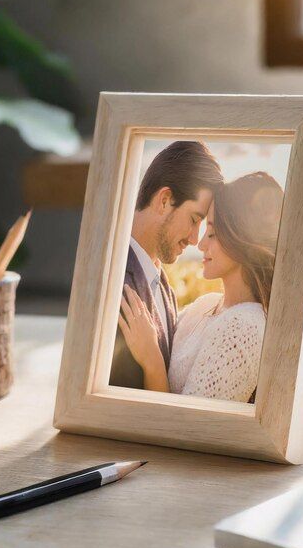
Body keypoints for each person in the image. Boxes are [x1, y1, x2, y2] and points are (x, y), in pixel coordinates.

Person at [119, 172, 284, 402]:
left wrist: (152, 363)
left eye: (213, 233)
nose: (202, 243)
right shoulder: (204, 306)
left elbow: (186, 432)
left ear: (241, 238)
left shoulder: (245, 327)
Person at [109, 140, 223, 389]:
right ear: (164, 200)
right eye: (194, 220)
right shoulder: (113, 281)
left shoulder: (162, 286)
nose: (195, 239)